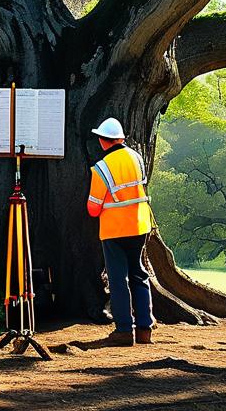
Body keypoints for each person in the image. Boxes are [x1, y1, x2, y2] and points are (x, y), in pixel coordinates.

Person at [86, 117, 155, 347]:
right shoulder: (137, 158)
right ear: (122, 139)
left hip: (114, 230)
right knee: (139, 273)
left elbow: (93, 209)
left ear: (103, 142)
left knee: (118, 279)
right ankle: (145, 329)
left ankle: (124, 330)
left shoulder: (101, 168)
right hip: (139, 225)